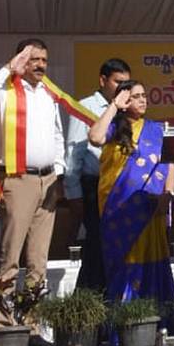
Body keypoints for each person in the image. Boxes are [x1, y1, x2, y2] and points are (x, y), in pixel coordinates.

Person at [0, 38, 94, 345]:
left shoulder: (48, 93)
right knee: (10, 256)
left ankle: (31, 326)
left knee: (38, 259)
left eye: (44, 59)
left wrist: (58, 169)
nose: (41, 65)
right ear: (20, 60)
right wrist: (7, 69)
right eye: (34, 59)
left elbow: (57, 133)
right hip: (18, 180)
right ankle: (4, 325)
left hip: (47, 180)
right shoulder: (5, 89)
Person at [88, 81, 174, 312]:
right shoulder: (113, 128)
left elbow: (169, 165)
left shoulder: (156, 129)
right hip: (120, 210)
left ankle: (159, 321)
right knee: (124, 264)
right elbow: (95, 138)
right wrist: (113, 107)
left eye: (144, 95)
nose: (142, 100)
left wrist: (168, 194)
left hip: (151, 209)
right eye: (135, 96)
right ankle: (124, 322)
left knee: (152, 264)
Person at [63, 56, 132, 291]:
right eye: (117, 82)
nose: (122, 88)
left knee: (116, 245)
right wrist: (73, 194)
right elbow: (74, 152)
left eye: (126, 83)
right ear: (102, 80)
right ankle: (87, 303)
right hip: (93, 186)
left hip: (120, 188)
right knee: (96, 246)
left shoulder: (126, 107)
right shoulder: (85, 107)